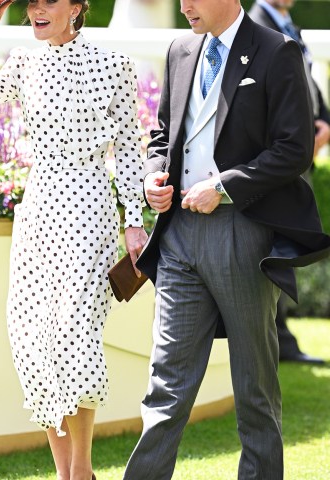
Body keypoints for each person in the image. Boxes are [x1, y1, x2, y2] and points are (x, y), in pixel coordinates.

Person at [123, 0, 330, 479]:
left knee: (254, 388)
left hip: (244, 235)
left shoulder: (279, 52)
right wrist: (155, 176)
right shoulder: (178, 50)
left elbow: (294, 150)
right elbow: (160, 137)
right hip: (178, 240)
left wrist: (224, 186)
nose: (183, 5)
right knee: (165, 386)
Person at [0, 1, 147, 480]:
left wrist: (134, 220)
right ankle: (66, 473)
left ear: (77, 6)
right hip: (39, 209)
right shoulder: (25, 61)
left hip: (87, 208)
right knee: (35, 335)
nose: (37, 9)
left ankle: (81, 469)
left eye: (49, 0)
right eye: (31, 1)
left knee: (77, 335)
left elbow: (126, 147)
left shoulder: (113, 66)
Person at [248, 0, 330, 365]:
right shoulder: (258, 22)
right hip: (281, 156)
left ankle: (282, 338)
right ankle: (277, 339)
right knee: (276, 247)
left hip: (304, 149)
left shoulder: (286, 21)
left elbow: (308, 77)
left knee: (287, 245)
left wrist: (324, 122)